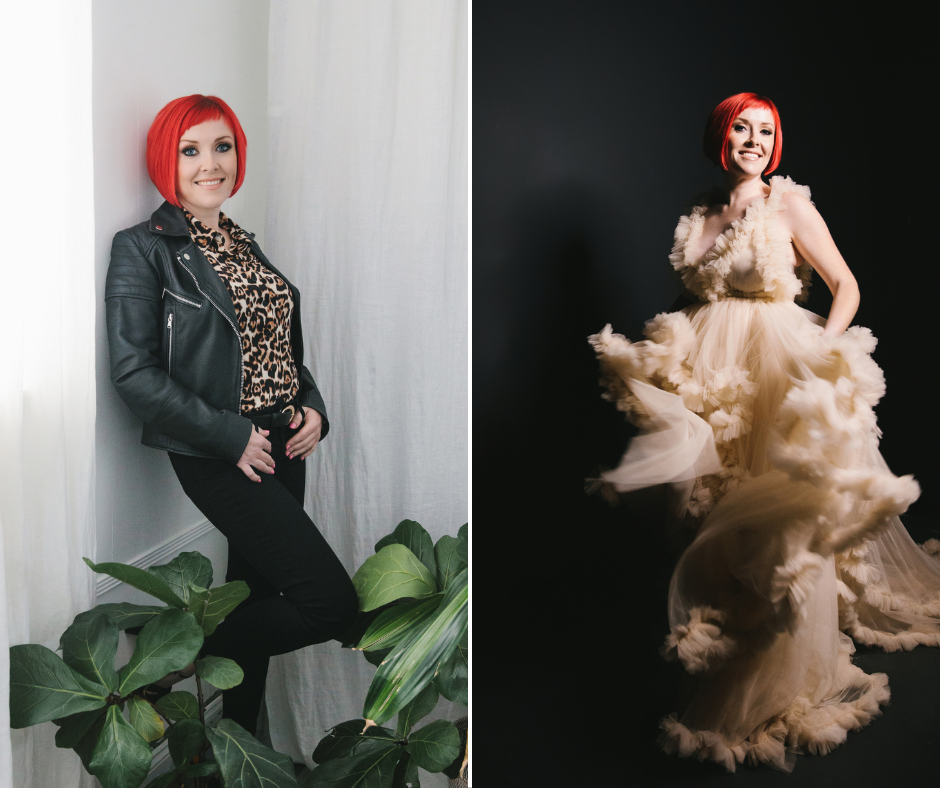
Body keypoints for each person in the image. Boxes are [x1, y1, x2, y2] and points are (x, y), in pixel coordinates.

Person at [589, 92, 940, 771]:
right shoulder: (700, 211)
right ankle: (731, 643)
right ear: (721, 137)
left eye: (765, 131)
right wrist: (664, 353)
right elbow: (697, 294)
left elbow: (845, 285)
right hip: (713, 369)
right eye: (742, 129)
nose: (753, 140)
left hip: (776, 363)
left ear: (775, 144)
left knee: (779, 508)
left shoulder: (787, 204)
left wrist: (820, 355)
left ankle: (780, 668)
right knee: (717, 507)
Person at [105, 94, 359, 735]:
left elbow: (272, 344)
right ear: (167, 161)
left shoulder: (241, 241)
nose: (209, 163)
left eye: (222, 146)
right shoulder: (143, 248)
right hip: (224, 451)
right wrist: (229, 434)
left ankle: (247, 757)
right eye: (190, 150)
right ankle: (174, 663)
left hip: (284, 441)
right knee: (330, 605)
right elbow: (134, 373)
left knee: (265, 602)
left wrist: (315, 408)